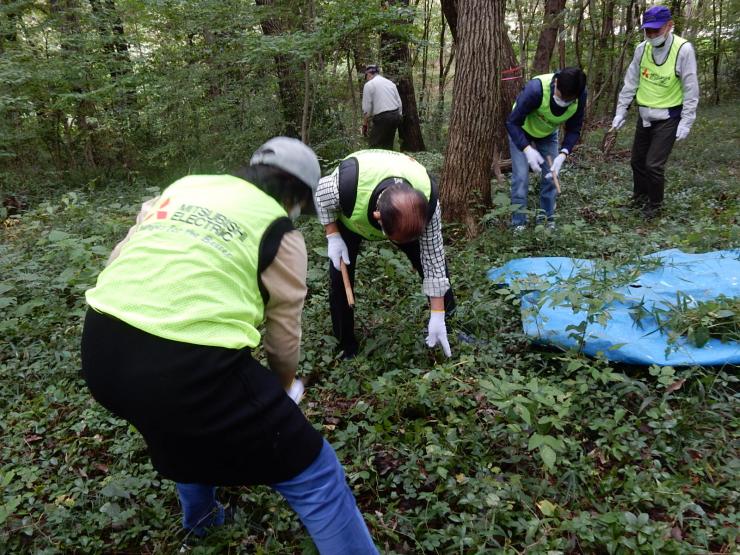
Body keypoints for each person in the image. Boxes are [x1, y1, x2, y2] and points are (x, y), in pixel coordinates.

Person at [81, 137, 378, 554]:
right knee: (318, 474)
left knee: (180, 424)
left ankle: (201, 522)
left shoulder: (186, 186)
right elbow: (282, 337)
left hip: (101, 347)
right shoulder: (282, 233)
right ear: (297, 197)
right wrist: (283, 389)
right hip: (185, 369)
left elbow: (121, 256)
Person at [314, 148, 456, 360]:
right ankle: (346, 345)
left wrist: (437, 313)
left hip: (404, 218)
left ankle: (449, 326)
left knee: (434, 263)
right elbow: (320, 196)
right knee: (339, 276)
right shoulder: (346, 186)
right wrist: (332, 235)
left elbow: (433, 261)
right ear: (377, 217)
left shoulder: (428, 200)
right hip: (351, 218)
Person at [612, 5, 699, 219]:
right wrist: (620, 111)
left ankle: (655, 206)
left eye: (656, 31)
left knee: (653, 165)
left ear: (670, 26)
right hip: (645, 115)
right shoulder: (642, 49)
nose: (651, 35)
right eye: (647, 31)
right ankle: (639, 198)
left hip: (669, 116)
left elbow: (690, 87)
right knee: (637, 161)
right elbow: (631, 81)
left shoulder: (683, 50)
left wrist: (686, 121)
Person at [505, 67, 587, 231]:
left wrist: (563, 154)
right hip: (522, 131)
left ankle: (546, 219)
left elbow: (574, 128)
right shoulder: (535, 90)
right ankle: (518, 223)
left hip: (548, 134)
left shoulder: (580, 95)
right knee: (521, 178)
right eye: (561, 96)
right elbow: (511, 123)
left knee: (551, 176)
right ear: (556, 82)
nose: (564, 101)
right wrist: (527, 149)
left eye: (568, 100)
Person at [362, 65, 403, 150]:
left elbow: (367, 108)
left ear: (369, 74)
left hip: (383, 117)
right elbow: (399, 102)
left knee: (374, 146)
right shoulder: (390, 83)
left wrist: (364, 124)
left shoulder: (369, 85)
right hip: (395, 116)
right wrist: (399, 115)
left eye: (366, 77)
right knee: (388, 145)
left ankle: (374, 163)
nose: (367, 79)